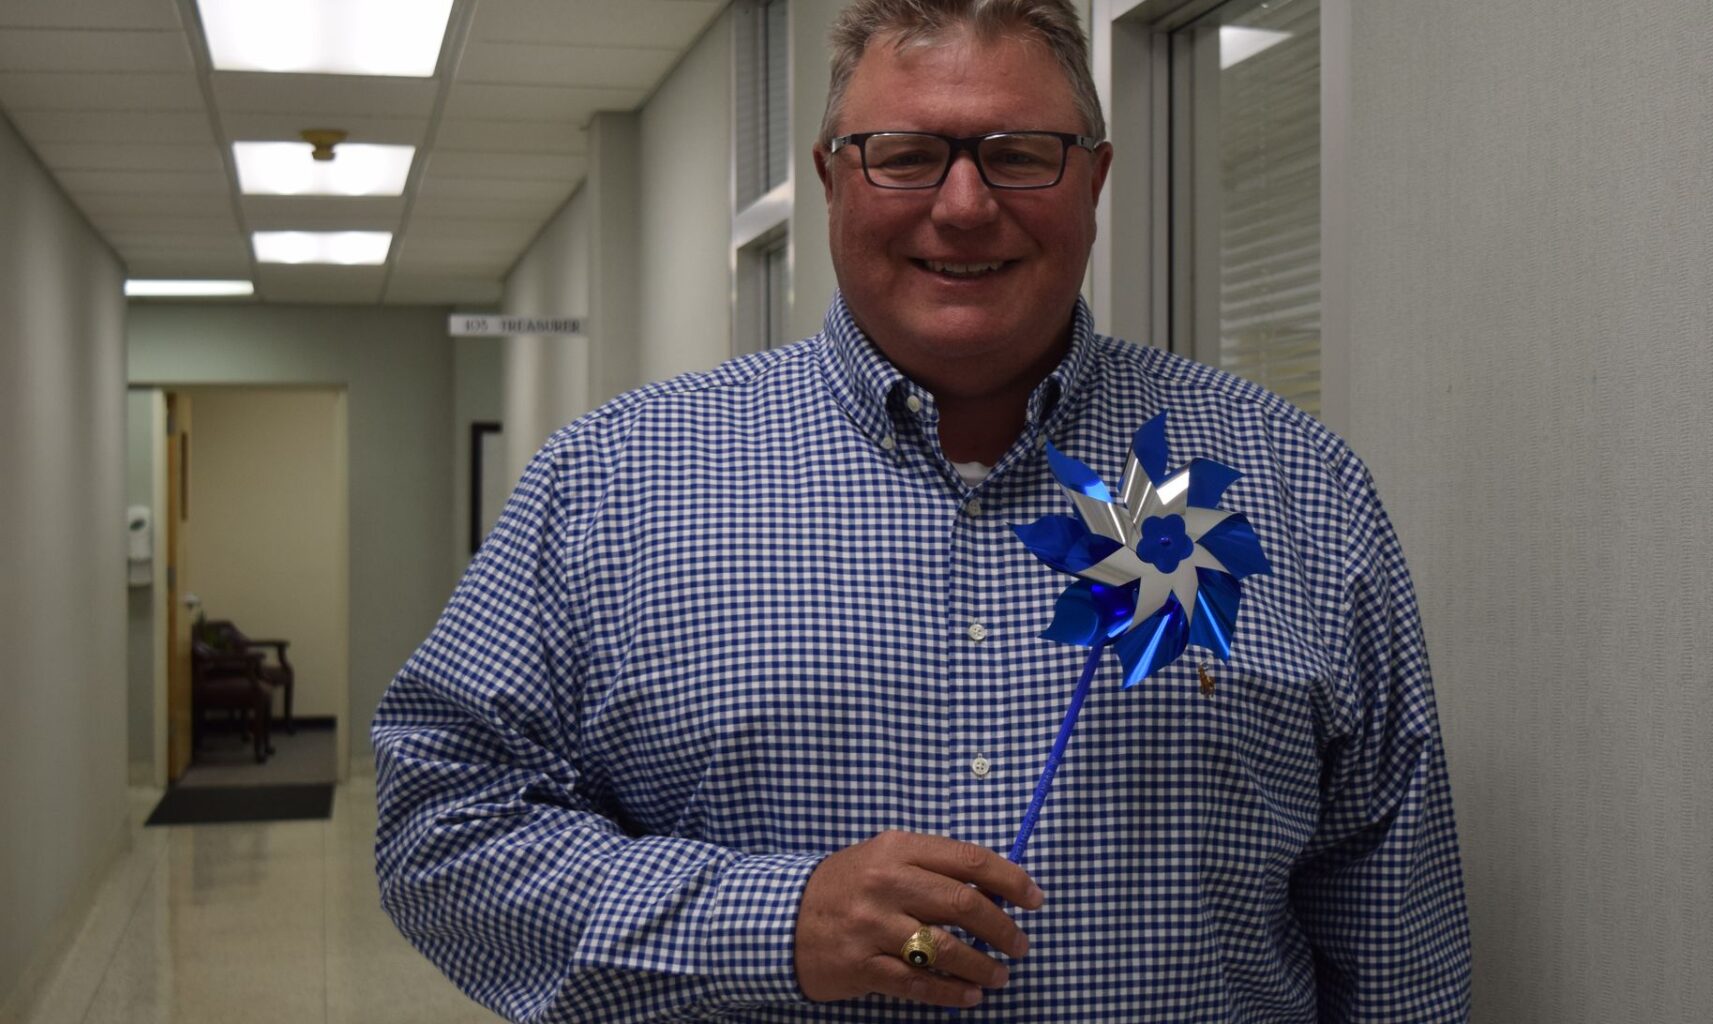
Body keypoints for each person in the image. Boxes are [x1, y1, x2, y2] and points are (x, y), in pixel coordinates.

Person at [372, 0, 1471, 1019]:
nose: (962, 204)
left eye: (1019, 153)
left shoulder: (1290, 485)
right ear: (830, 179)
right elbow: (438, 826)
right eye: (904, 157)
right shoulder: (614, 484)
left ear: (1094, 179)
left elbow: (1396, 925)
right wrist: (769, 922)